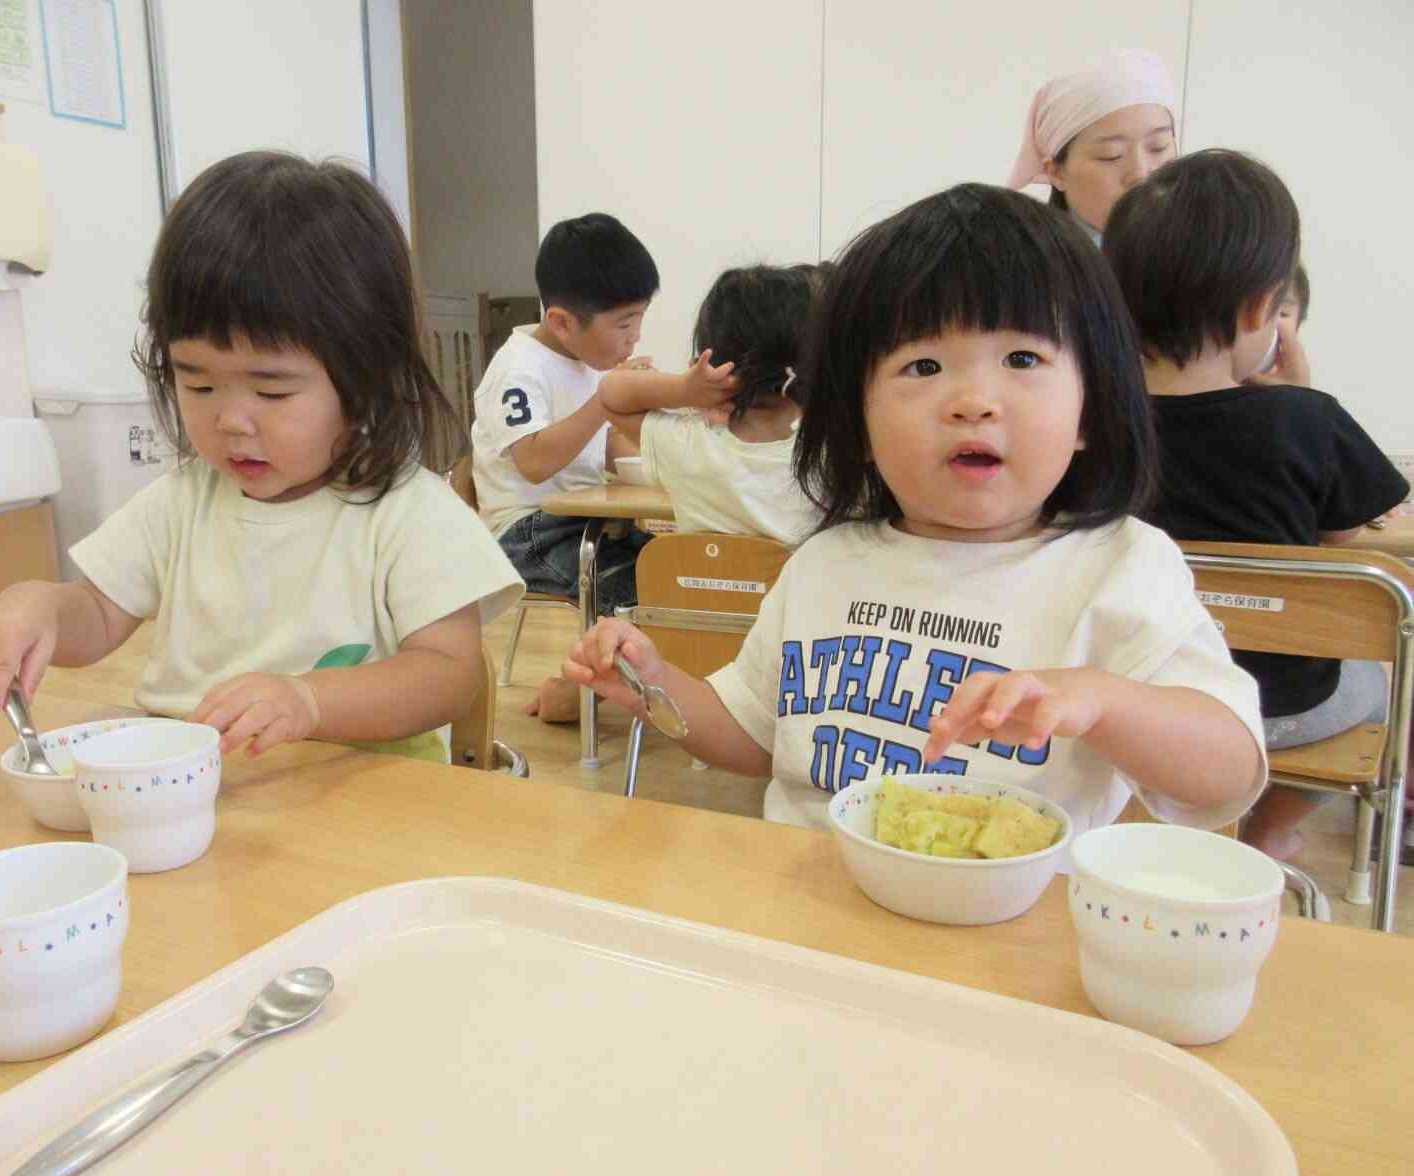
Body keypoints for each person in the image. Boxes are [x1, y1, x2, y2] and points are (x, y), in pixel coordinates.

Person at [564, 184, 1266, 839]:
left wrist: (1105, 702)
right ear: (858, 423)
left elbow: (1229, 774)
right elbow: (753, 737)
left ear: (1091, 407)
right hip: (807, 898)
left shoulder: (1120, 567)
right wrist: (656, 683)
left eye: (1022, 359)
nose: (974, 401)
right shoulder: (825, 563)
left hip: (1007, 916)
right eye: (923, 367)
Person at [0, 152, 523, 762]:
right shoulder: (181, 503)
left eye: (272, 392)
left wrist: (309, 700)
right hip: (193, 787)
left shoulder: (409, 513)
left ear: (365, 380)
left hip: (360, 793)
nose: (229, 420)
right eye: (197, 384)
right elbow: (96, 613)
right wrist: (37, 609)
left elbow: (448, 674)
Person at [1105, 150, 1409, 862]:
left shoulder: (1091, 424)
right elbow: (1347, 541)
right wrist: (1299, 394)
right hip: (1284, 710)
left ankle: (1149, 821)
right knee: (1377, 683)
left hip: (1141, 705)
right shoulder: (1309, 420)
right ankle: (1268, 831)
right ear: (1259, 309)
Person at [471, 212, 731, 721]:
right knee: (633, 589)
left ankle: (607, 685)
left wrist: (672, 451)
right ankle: (578, 690)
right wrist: (607, 399)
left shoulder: (587, 365)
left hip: (585, 524)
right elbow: (533, 461)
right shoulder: (519, 370)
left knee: (675, 569)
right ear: (562, 322)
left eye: (639, 321)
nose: (633, 339)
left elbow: (607, 447)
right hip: (527, 535)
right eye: (623, 324)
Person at [602, 263, 823, 549]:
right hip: (802, 581)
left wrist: (685, 390)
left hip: (699, 580)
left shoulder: (688, 444)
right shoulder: (830, 451)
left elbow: (610, 394)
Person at [1007, 49, 1178, 243]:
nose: (1140, 174)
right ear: (1056, 172)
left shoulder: (1196, 246)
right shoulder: (1023, 255)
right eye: (1111, 155)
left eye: (1158, 147)